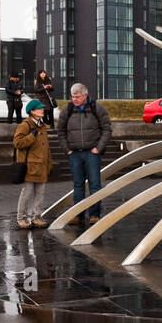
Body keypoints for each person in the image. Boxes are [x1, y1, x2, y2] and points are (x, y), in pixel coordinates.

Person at [57, 82, 112, 225]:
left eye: (77, 97)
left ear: (85, 95)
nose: (74, 99)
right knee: (78, 185)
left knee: (95, 185)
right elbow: (60, 132)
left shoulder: (97, 108)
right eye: (72, 96)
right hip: (74, 154)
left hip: (92, 153)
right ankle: (78, 214)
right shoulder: (67, 110)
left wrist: (98, 149)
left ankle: (94, 214)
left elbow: (107, 129)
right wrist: (67, 149)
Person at [12, 99, 51, 229]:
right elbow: (17, 143)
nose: (42, 110)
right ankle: (21, 218)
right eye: (39, 108)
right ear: (32, 111)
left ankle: (37, 217)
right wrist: (31, 136)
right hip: (29, 166)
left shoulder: (42, 125)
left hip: (41, 166)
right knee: (27, 193)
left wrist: (48, 164)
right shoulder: (25, 125)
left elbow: (46, 148)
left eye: (42, 108)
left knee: (40, 193)